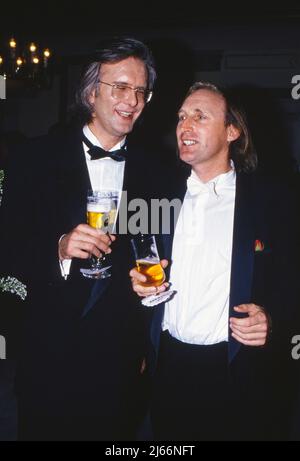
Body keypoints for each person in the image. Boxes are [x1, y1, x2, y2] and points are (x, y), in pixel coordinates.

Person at [0, 36, 156, 440]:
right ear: (90, 92)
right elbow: (7, 245)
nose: (132, 100)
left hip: (119, 360)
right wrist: (58, 248)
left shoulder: (159, 171)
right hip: (48, 355)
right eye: (120, 87)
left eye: (141, 91)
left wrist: (153, 294)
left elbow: (162, 252)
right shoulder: (32, 158)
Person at [130, 82, 300, 441]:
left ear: (232, 131)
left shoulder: (273, 199)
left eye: (199, 116)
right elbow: (136, 269)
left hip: (236, 368)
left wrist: (275, 318)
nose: (184, 125)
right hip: (169, 365)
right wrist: (138, 287)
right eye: (180, 117)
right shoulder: (156, 194)